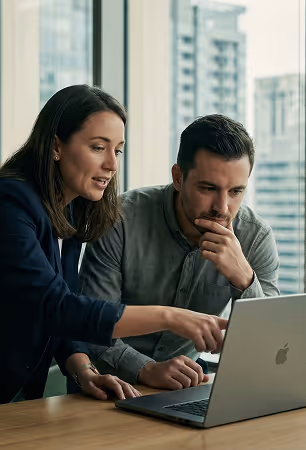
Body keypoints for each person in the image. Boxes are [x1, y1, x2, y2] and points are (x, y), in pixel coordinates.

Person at [0, 86, 228, 405]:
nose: (111, 164)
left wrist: (85, 371)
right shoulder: (11, 205)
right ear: (55, 146)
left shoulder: (69, 211)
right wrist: (171, 316)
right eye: (98, 147)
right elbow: (56, 306)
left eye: (117, 151)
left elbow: (58, 321)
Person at [79, 114, 280, 391]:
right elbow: (90, 323)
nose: (222, 207)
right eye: (208, 188)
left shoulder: (255, 236)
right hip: (107, 389)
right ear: (178, 177)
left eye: (236, 191)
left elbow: (272, 346)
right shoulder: (119, 220)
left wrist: (244, 278)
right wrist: (145, 368)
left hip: (186, 389)